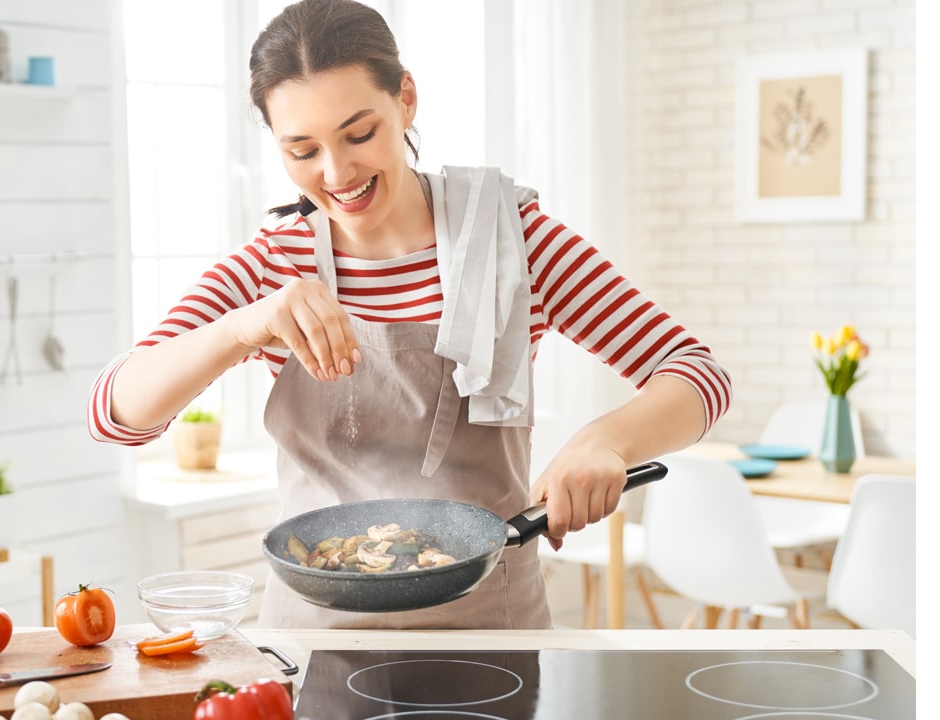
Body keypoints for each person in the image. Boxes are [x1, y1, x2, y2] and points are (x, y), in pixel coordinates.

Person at [90, 0, 731, 629]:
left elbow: (699, 375)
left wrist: (606, 440)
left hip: (490, 631)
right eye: (302, 150)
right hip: (314, 640)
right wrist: (243, 327)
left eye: (359, 133)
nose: (336, 172)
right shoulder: (273, 264)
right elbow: (114, 413)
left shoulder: (512, 241)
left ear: (406, 100)